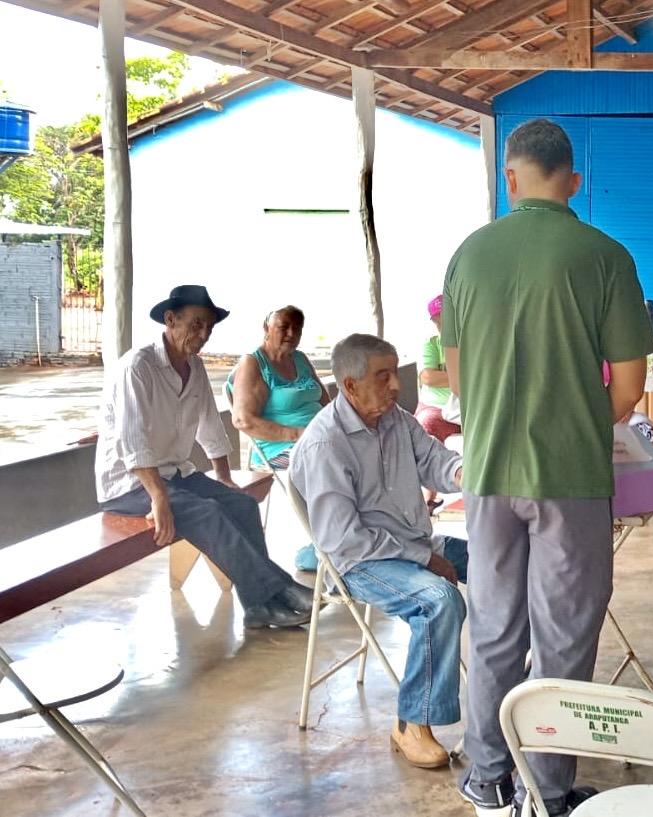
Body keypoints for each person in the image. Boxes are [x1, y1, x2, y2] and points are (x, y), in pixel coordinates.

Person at [445, 118, 653, 817]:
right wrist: (576, 420)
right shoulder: (605, 256)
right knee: (564, 634)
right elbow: (628, 390)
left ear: (510, 176)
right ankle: (546, 791)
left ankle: (487, 777)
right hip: (568, 475)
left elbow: (458, 377)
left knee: (493, 626)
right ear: (573, 180)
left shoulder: (468, 255)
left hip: (485, 474)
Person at [289, 334, 468, 770]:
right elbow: (342, 540)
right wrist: (424, 559)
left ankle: (518, 684)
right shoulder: (325, 443)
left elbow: (435, 462)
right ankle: (412, 723)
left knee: (505, 561)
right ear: (350, 385)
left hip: (411, 545)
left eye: (394, 373)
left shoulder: (395, 420)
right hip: (359, 562)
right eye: (383, 376)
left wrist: (466, 472)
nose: (395, 385)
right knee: (439, 601)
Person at [95, 285, 313, 629]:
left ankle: (258, 607)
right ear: (170, 319)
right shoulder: (137, 367)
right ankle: (279, 590)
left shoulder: (194, 367)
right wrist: (158, 497)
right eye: (196, 324)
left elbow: (210, 425)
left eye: (209, 327)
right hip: (132, 484)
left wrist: (223, 477)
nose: (204, 334)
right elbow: (132, 440)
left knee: (242, 504)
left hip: (175, 475)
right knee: (208, 513)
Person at [229, 305, 329, 571]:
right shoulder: (253, 363)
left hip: (318, 442)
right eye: (284, 327)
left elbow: (326, 402)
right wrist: (297, 435)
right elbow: (243, 420)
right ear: (267, 328)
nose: (291, 333)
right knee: (332, 465)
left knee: (367, 451)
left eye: (297, 328)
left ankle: (358, 534)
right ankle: (324, 547)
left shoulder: (300, 359)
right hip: (279, 448)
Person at [415, 294, 460, 509]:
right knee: (426, 424)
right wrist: (462, 377)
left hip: (466, 406)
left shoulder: (472, 342)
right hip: (437, 407)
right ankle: (428, 498)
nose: (443, 324)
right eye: (439, 320)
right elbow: (428, 377)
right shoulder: (432, 344)